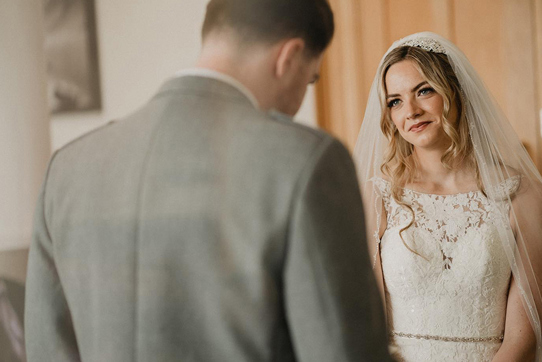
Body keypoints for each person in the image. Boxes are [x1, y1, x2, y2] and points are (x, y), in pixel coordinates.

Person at [25, 0, 392, 361]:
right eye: (309, 80)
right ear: (289, 58)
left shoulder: (68, 168)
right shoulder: (306, 162)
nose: (300, 99)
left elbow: (47, 349)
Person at [353, 31, 542, 361]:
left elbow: (522, 337)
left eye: (424, 91)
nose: (409, 111)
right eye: (395, 101)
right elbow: (365, 325)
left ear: (456, 91)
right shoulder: (379, 195)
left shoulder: (519, 194)